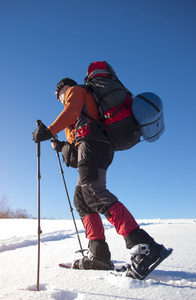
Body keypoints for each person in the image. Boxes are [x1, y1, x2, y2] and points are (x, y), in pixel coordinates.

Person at [32, 78, 169, 277]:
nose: (60, 99)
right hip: (93, 146)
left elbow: (71, 111)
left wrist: (48, 130)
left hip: (93, 144)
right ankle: (99, 256)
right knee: (82, 198)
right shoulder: (84, 111)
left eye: (58, 95)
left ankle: (144, 246)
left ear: (63, 88)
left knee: (93, 191)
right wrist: (60, 146)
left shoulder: (75, 91)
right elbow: (74, 154)